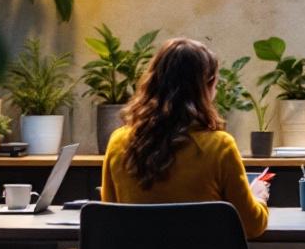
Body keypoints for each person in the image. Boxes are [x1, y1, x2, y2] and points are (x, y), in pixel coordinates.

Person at [99, 37, 270, 238]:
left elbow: (108, 218)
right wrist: (259, 198)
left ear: (153, 82)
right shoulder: (220, 147)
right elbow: (251, 226)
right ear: (209, 85)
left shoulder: (119, 142)